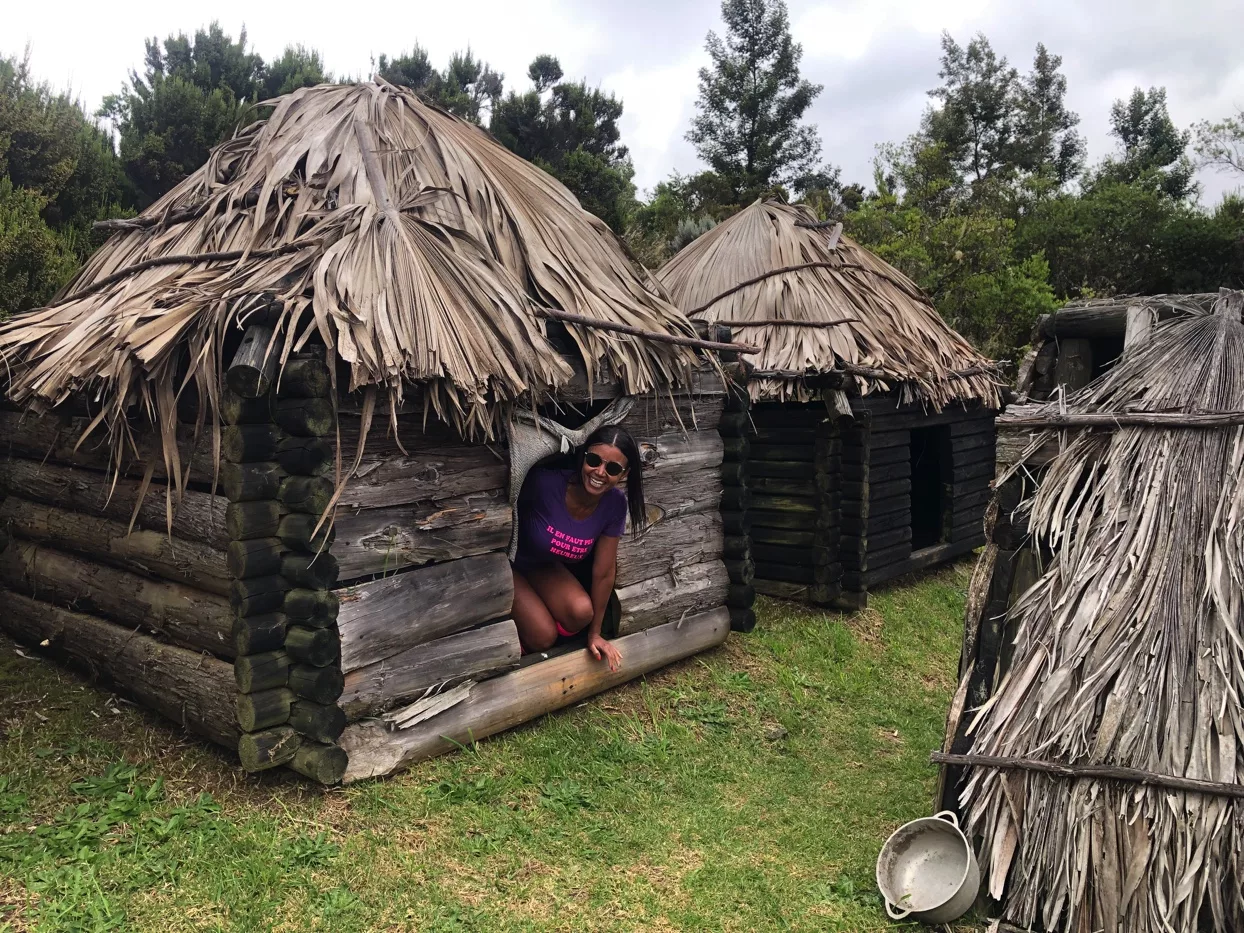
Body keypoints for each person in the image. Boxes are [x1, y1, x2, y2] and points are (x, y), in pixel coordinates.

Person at [510, 424, 646, 672]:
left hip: (544, 566)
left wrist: (595, 634)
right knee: (543, 636)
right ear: (583, 457)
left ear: (623, 474)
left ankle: (539, 622)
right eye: (594, 460)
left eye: (613, 468)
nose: (600, 472)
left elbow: (604, 571)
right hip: (511, 565)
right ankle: (516, 635)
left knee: (582, 612)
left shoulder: (615, 505)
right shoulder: (543, 484)